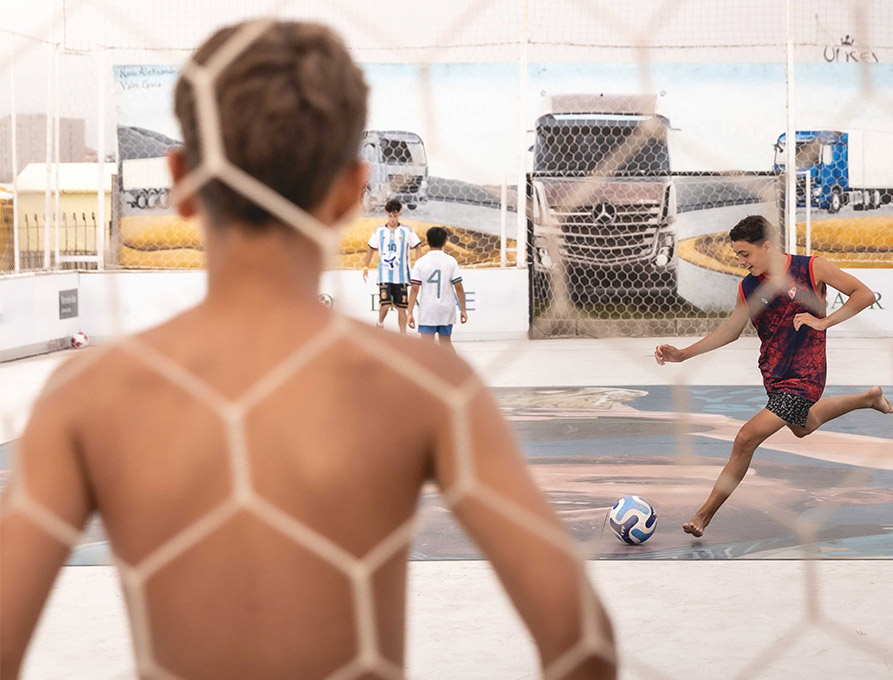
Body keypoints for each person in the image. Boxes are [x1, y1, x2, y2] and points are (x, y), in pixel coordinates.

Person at [0, 21, 615, 679]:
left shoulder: (91, 393)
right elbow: (579, 639)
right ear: (352, 190)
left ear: (179, 178)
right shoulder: (425, 385)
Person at [654, 215, 893, 538]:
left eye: (745, 254)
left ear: (766, 246)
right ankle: (868, 398)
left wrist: (824, 322)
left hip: (805, 374)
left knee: (745, 439)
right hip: (775, 376)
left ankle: (703, 515)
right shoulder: (748, 286)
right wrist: (683, 354)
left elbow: (864, 295)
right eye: (737, 255)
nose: (740, 261)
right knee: (803, 426)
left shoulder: (812, 269)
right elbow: (730, 331)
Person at [362, 198, 424, 334]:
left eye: (395, 216)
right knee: (384, 304)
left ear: (399, 214)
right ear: (386, 214)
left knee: (402, 308)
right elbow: (371, 248)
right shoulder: (379, 231)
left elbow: (418, 246)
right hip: (384, 275)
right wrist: (365, 267)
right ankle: (380, 323)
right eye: (390, 216)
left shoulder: (407, 230)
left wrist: (419, 266)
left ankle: (403, 335)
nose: (392, 219)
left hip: (401, 277)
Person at [407, 227, 467, 349]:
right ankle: (452, 367)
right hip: (446, 309)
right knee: (446, 343)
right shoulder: (451, 261)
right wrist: (463, 309)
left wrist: (409, 312)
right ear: (445, 242)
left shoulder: (420, 262)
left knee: (426, 346)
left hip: (428, 310)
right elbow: (459, 287)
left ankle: (426, 368)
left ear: (427, 242)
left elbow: (414, 288)